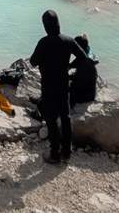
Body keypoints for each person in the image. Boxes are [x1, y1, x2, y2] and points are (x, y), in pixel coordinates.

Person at [30, 9, 93, 164]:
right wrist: (70, 65)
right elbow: (84, 58)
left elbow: (33, 61)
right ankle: (66, 151)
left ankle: (54, 153)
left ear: (45, 26)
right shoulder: (68, 40)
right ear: (58, 23)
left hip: (48, 85)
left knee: (51, 119)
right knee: (65, 117)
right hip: (63, 84)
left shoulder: (43, 42)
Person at [69, 33, 99, 105]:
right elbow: (74, 64)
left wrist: (68, 77)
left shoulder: (85, 63)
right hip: (90, 91)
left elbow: (79, 83)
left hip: (85, 96)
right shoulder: (87, 53)